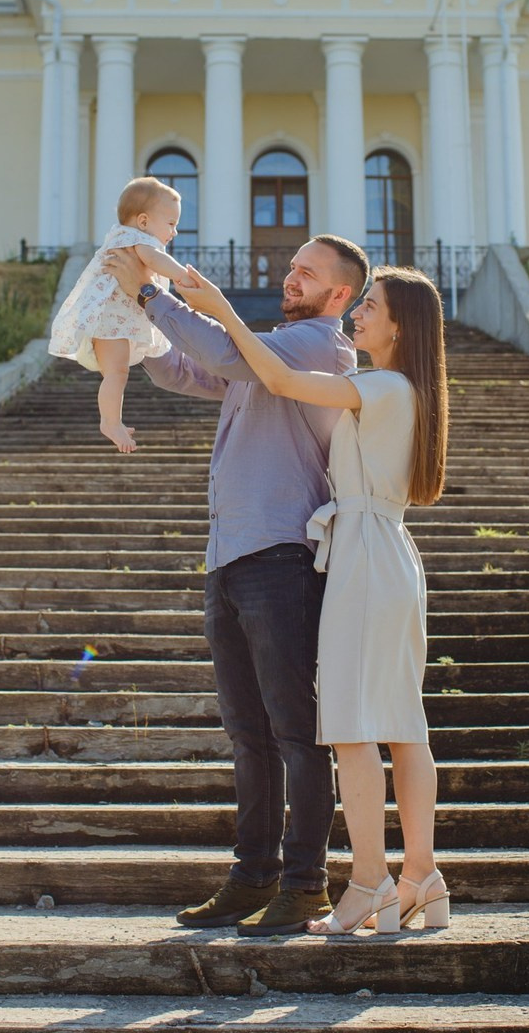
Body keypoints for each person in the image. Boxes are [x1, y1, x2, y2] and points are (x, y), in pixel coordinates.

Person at [103, 234, 370, 936]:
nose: (290, 277)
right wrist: (132, 331)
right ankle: (252, 875)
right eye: (290, 267)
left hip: (280, 557)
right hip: (229, 557)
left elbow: (221, 351)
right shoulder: (267, 351)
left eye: (306, 272)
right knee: (247, 737)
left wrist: (150, 292)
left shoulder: (320, 348)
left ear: (339, 296)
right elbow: (190, 373)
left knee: (294, 734)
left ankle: (305, 883)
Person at [176, 263, 450, 936]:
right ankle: (421, 876)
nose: (357, 314)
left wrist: (220, 310)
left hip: (362, 549)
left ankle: (366, 884)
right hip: (388, 550)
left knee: (354, 730)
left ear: (399, 324)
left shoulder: (379, 385)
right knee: (403, 727)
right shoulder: (405, 390)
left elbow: (278, 379)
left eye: (370, 306)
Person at [48, 177, 192, 452]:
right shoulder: (136, 239)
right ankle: (110, 422)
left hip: (112, 321)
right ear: (143, 222)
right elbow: (155, 261)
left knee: (118, 373)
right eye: (171, 224)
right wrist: (182, 276)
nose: (174, 232)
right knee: (116, 373)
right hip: (110, 321)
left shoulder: (123, 237)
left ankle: (112, 420)